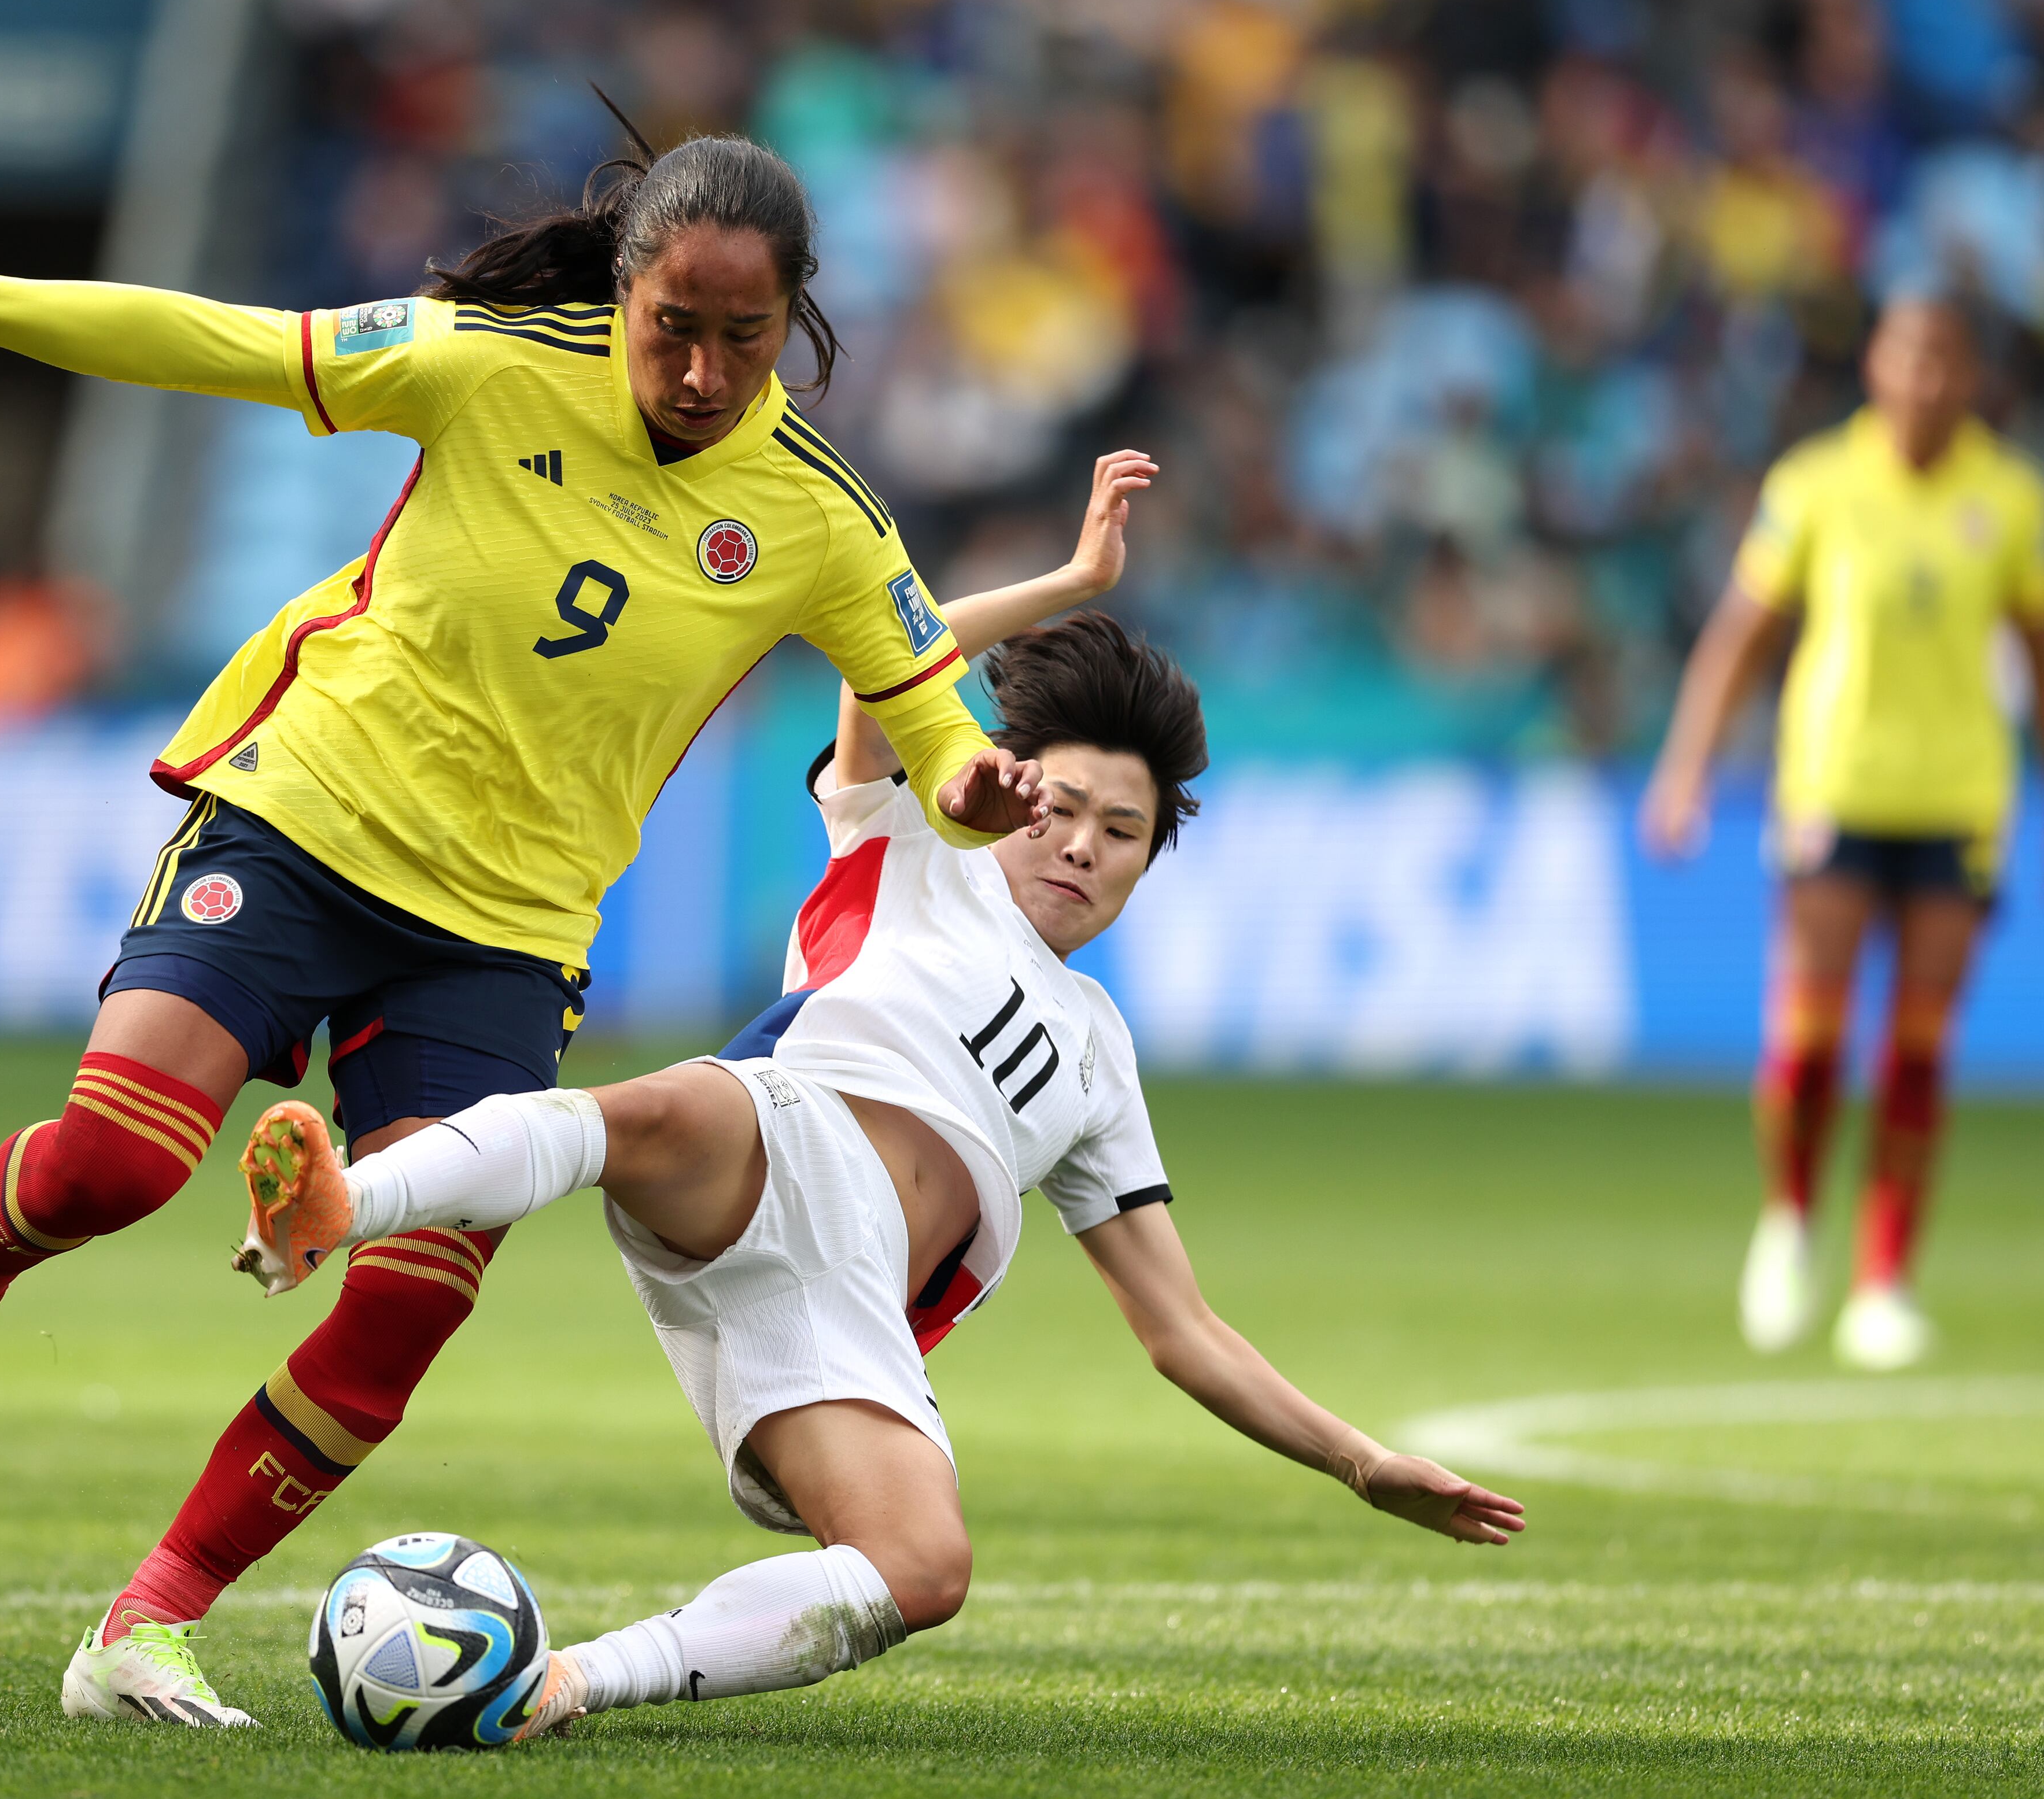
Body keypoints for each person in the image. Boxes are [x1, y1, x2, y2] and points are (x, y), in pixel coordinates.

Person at [0, 124, 1057, 1725]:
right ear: (624, 290)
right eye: (674, 327)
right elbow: (199, 339)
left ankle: (145, 1624)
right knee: (116, 1165)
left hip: (503, 932)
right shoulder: (487, 360)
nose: (704, 372)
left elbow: (936, 731)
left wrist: (976, 785)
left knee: (406, 1301)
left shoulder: (822, 518)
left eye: (745, 337)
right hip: (306, 819)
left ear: (795, 319)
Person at [234, 601, 1526, 1739]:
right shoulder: (916, 839)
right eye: (1063, 809)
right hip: (784, 1135)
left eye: (1122, 831)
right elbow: (886, 656)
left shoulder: (1101, 1054)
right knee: (659, 1110)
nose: (1083, 845)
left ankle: (567, 1683)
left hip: (835, 1310)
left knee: (923, 1568)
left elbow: (1181, 1329)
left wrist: (1361, 1463)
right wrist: (1072, 589)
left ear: (1148, 858)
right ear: (1012, 788)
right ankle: (348, 1202)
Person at [1644, 295, 2044, 1371]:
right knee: (1811, 1039)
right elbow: (1743, 634)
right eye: (1908, 356)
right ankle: (1790, 1219)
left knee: (1917, 1049)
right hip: (1834, 787)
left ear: (1971, 376)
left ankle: (1883, 1283)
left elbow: (2039, 650)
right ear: (1877, 364)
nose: (1925, 379)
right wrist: (1685, 768)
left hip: (1960, 798)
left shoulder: (2012, 499)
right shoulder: (1816, 484)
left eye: (1945, 360)